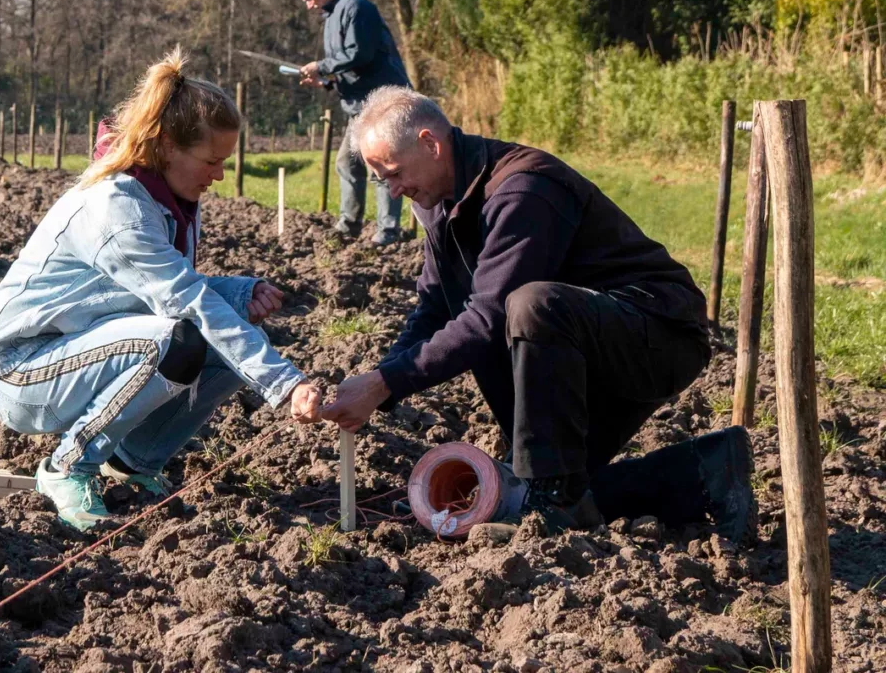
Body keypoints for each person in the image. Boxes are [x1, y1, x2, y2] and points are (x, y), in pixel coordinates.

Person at [321, 86, 754, 539]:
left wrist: (386, 383)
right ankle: (706, 470)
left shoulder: (522, 187)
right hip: (580, 347)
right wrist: (379, 382)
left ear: (431, 143)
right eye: (380, 180)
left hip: (655, 334)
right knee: (553, 482)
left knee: (528, 306)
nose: (392, 190)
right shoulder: (438, 203)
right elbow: (433, 310)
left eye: (393, 173)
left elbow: (488, 317)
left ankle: (549, 502)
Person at [0, 49, 324, 529]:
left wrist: (241, 294)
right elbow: (185, 301)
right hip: (20, 371)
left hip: (80, 346)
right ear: (164, 147)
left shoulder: (169, 198)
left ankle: (135, 462)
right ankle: (66, 467)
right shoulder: (119, 210)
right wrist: (285, 386)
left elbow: (167, 289)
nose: (219, 175)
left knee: (219, 333)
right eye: (211, 161)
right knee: (175, 340)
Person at [295, 0, 412, 246]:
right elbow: (348, 67)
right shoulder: (332, 16)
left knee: (382, 164)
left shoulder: (358, 8)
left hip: (380, 101)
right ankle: (349, 225)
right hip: (358, 103)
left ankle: (388, 231)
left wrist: (320, 66)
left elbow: (360, 53)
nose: (309, 6)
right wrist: (325, 83)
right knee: (347, 163)